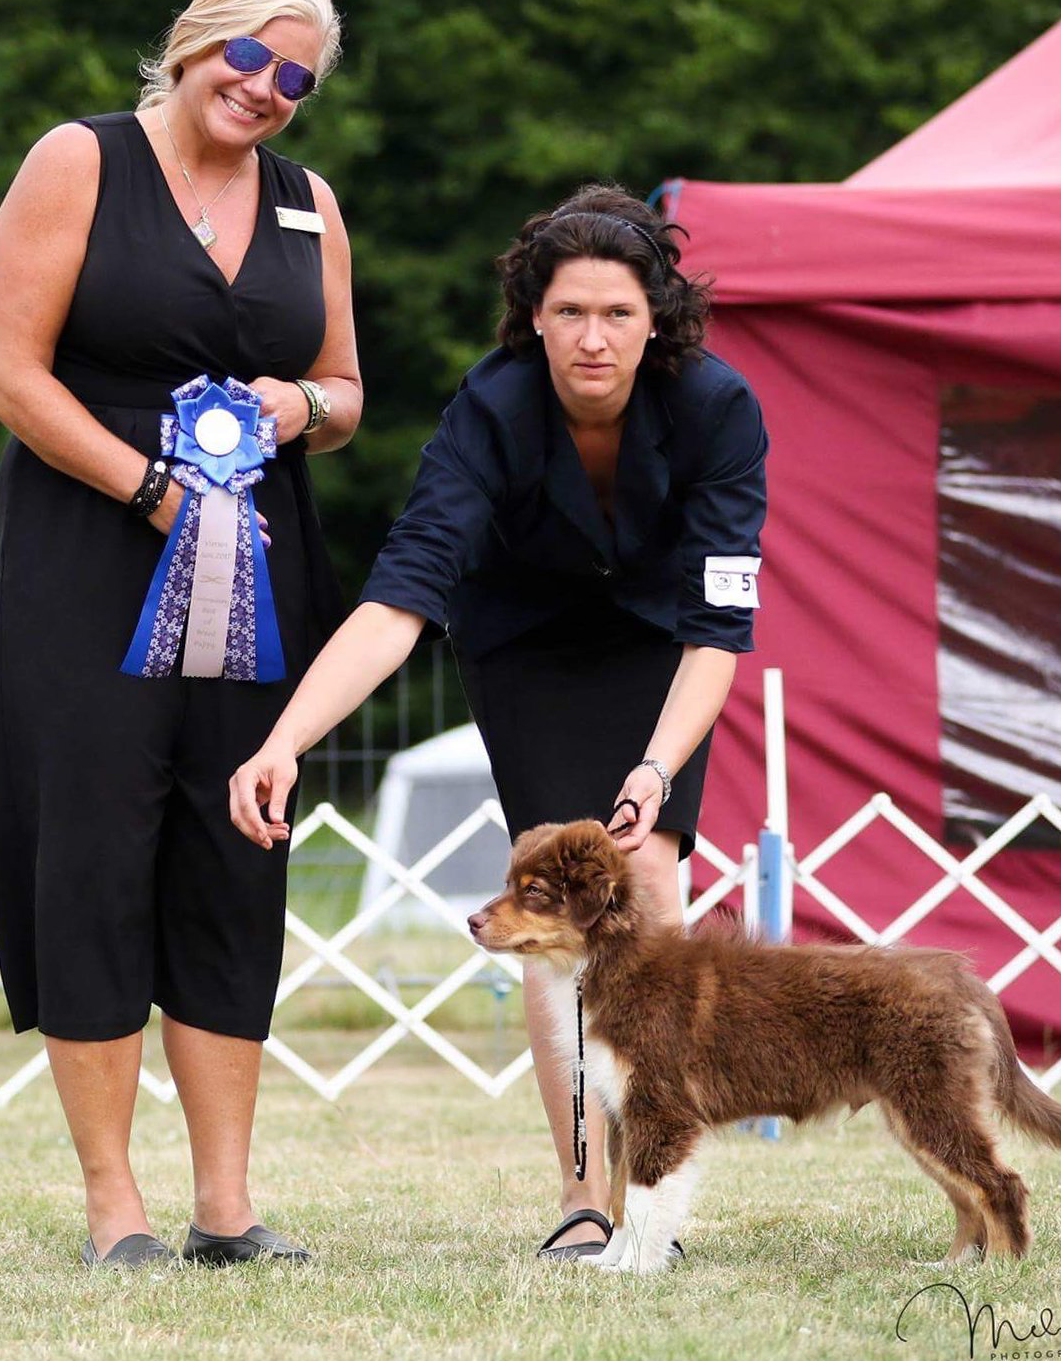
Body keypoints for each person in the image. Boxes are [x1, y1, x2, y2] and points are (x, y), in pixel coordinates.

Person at [229, 183, 766, 1262]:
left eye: (616, 312)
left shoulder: (718, 408)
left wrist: (657, 767)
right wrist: (284, 738)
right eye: (568, 311)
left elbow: (719, 629)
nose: (591, 336)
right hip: (524, 650)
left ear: (654, 317)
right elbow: (398, 600)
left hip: (659, 649)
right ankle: (581, 1195)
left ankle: (649, 1192)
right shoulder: (489, 408)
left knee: (648, 878)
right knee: (554, 911)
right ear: (533, 316)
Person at [0, 0, 360, 1270]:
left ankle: (226, 1207)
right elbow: (10, 374)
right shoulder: (77, 160)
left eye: (292, 77)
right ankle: (112, 1207)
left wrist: (295, 403)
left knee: (231, 852)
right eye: (248, 58)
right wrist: (151, 489)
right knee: (89, 854)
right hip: (90, 557)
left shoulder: (308, 202)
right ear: (195, 47)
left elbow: (348, 391)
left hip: (256, 568)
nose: (263, 89)